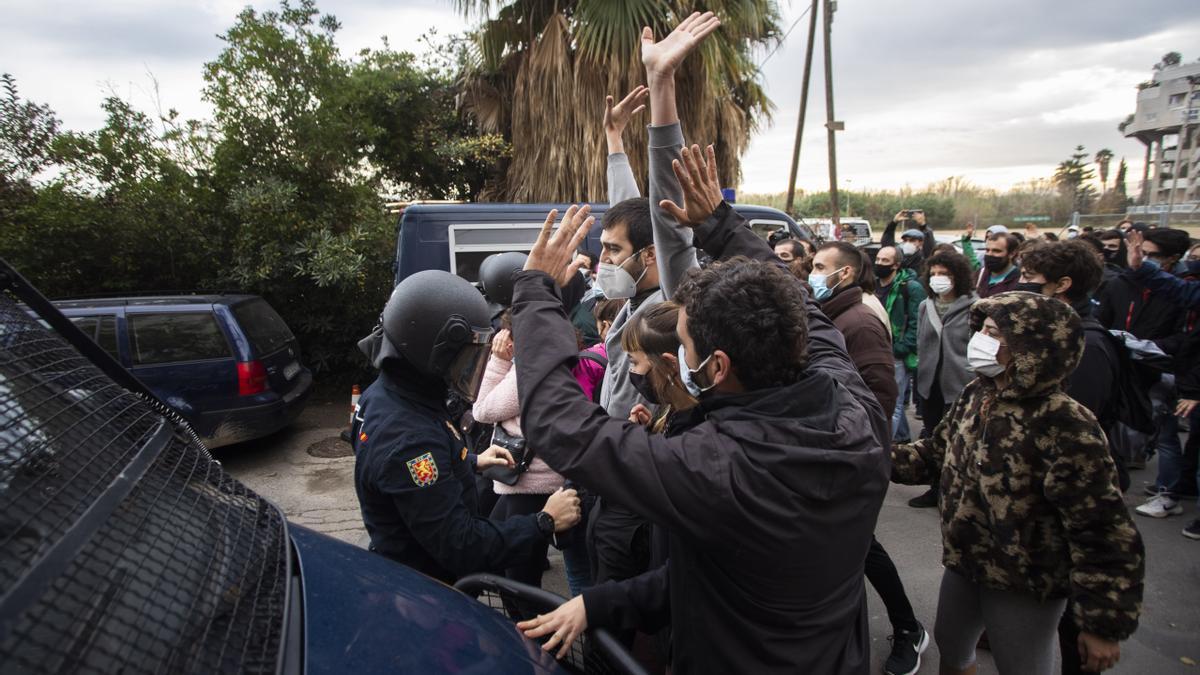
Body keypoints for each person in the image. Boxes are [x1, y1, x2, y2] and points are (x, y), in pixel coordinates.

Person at [515, 15, 889, 669]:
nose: (671, 352)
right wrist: (716, 223)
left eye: (681, 342)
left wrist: (535, 295)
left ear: (715, 366)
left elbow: (561, 425)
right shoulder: (852, 405)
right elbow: (792, 296)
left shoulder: (718, 470)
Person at [891, 292, 1145, 675]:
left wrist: (1104, 624)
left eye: (993, 332)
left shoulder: (1066, 423)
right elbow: (933, 455)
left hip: (1025, 580)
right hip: (966, 559)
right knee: (953, 645)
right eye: (983, 329)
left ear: (1032, 349)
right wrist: (870, 456)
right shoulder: (977, 394)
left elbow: (1103, 529)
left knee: (1021, 665)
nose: (980, 339)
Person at [351, 270, 581, 584]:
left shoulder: (382, 396)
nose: (470, 365)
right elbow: (461, 545)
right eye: (465, 355)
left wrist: (470, 461)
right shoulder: (411, 442)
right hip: (431, 595)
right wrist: (544, 521)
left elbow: (402, 479)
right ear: (433, 351)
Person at [814, 241, 929, 675]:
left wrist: (853, 455)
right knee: (855, 547)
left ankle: (908, 629)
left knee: (860, 546)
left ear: (844, 274)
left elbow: (880, 397)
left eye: (820, 266)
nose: (812, 272)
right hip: (836, 455)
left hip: (851, 460)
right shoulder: (834, 314)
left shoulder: (859, 321)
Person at [472, 312, 569, 589]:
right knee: (499, 555)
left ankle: (529, 630)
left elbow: (483, 410)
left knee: (519, 577)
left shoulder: (527, 370)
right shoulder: (549, 360)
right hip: (530, 479)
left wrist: (498, 361)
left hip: (530, 483)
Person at [911, 250, 978, 508]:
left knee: (958, 441)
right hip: (930, 384)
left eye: (945, 274)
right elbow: (921, 341)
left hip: (959, 384)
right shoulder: (925, 306)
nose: (938, 279)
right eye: (935, 274)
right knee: (933, 437)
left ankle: (957, 491)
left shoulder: (974, 306)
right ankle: (935, 487)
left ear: (958, 277)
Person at [874, 245, 926, 447]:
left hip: (896, 353)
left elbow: (917, 322)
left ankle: (885, 451)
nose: (879, 264)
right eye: (878, 259)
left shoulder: (910, 287)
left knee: (892, 404)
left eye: (885, 261)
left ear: (896, 264)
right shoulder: (874, 284)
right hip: (880, 349)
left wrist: (901, 349)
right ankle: (902, 436)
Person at [975, 233, 1021, 298]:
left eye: (996, 251)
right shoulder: (980, 274)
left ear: (1012, 254)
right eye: (987, 250)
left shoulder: (1020, 281)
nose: (989, 254)